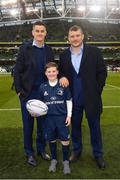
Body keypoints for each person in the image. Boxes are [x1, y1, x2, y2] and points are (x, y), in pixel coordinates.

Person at [59, 25, 107, 169]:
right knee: (75, 128)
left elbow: (102, 72)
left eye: (77, 35)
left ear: (82, 36)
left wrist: (97, 89)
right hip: (73, 98)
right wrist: (61, 77)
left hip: (91, 98)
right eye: (72, 36)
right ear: (68, 38)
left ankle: (98, 154)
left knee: (95, 127)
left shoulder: (94, 51)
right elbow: (61, 72)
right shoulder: (64, 55)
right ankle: (77, 151)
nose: (75, 38)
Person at [14, 21, 54, 166]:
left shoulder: (49, 50)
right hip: (27, 94)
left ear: (45, 33)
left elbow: (52, 70)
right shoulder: (24, 49)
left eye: (42, 31)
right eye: (37, 31)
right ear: (33, 33)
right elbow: (17, 71)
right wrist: (19, 91)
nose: (39, 33)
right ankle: (29, 153)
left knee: (43, 125)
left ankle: (41, 150)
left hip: (43, 94)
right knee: (28, 126)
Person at [38, 62, 72, 174]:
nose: (51, 73)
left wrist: (69, 115)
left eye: (53, 71)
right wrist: (35, 112)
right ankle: (54, 160)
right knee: (51, 139)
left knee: (65, 140)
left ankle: (66, 161)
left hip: (62, 118)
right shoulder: (42, 87)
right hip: (48, 119)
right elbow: (40, 104)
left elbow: (68, 100)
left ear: (57, 72)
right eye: (49, 72)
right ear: (45, 73)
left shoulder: (63, 85)